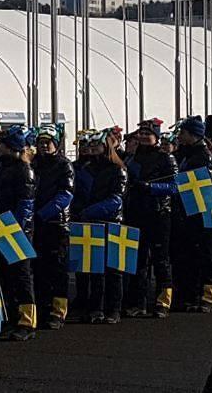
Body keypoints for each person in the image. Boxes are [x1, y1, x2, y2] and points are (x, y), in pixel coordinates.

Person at [123, 119, 179, 319]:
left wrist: (149, 187)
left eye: (148, 133)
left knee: (161, 259)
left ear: (156, 137)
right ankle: (139, 302)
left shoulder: (166, 158)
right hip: (136, 213)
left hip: (159, 213)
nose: (144, 136)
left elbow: (174, 187)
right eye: (141, 133)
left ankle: (163, 302)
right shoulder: (131, 158)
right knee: (138, 261)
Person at [70, 129, 127, 324]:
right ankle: (95, 307)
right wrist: (78, 210)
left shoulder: (117, 169)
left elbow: (116, 199)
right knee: (93, 269)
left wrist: (90, 211)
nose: (92, 149)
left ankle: (114, 309)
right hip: (89, 223)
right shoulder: (83, 169)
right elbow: (77, 194)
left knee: (113, 270)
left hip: (111, 222)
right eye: (90, 146)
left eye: (97, 146)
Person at [170, 116, 212, 313]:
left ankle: (208, 296)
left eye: (183, 133)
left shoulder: (203, 156)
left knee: (205, 253)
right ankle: (190, 294)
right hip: (187, 209)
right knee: (188, 254)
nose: (179, 136)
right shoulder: (185, 154)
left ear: (193, 135)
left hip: (201, 208)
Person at [0, 125, 37, 340]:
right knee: (8, 276)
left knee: (22, 277)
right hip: (2, 225)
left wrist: (16, 229)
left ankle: (27, 321)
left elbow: (26, 204)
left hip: (16, 229)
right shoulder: (2, 165)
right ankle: (13, 317)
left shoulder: (23, 170)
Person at [31, 124, 74, 330]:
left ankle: (58, 311)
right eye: (40, 142)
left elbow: (65, 195)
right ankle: (42, 306)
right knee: (39, 268)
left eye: (47, 142)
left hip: (57, 224)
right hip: (36, 223)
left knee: (58, 269)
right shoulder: (34, 164)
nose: (43, 146)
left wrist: (43, 213)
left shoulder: (64, 165)